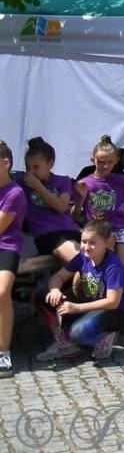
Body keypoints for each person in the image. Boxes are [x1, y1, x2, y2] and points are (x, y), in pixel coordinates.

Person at [36, 219, 124, 363]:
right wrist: (55, 291)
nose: (86, 247)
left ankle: (105, 335)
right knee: (41, 295)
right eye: (84, 242)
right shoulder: (82, 257)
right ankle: (65, 342)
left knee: (79, 332)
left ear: (105, 242)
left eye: (92, 243)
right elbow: (58, 277)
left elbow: (113, 302)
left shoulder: (113, 266)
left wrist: (76, 308)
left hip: (111, 312)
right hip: (88, 303)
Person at [77, 136, 124, 275]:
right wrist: (81, 198)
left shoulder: (118, 179)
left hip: (121, 227)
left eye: (110, 162)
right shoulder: (85, 183)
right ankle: (108, 295)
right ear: (93, 159)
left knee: (122, 268)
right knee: (107, 267)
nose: (105, 166)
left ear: (116, 161)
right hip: (99, 230)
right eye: (101, 162)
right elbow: (74, 214)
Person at [21, 137, 82, 264]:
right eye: (28, 167)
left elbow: (61, 207)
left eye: (36, 167)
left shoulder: (63, 181)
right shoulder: (22, 184)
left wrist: (38, 187)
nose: (31, 172)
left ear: (50, 164)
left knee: (100, 257)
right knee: (82, 261)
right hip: (47, 235)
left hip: (71, 230)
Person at [0, 139, 25, 377]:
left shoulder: (15, 193)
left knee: (1, 292)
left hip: (6, 247)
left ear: (5, 163)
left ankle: (3, 352)